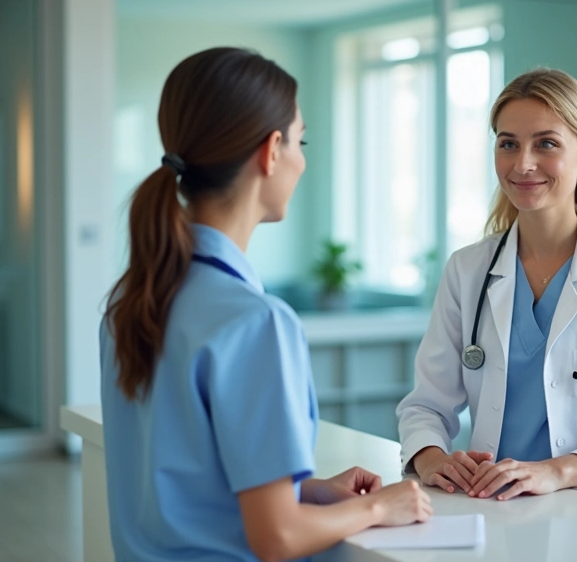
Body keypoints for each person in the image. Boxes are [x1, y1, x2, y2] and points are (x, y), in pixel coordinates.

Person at [100, 47, 431, 562]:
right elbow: (276, 539)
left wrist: (307, 490)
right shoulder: (254, 322)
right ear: (271, 151)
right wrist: (378, 508)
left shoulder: (133, 300)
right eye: (301, 141)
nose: (301, 160)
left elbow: (185, 490)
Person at [397, 68, 577, 505]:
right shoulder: (468, 269)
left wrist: (554, 472)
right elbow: (426, 404)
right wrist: (432, 457)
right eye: (508, 143)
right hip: (494, 508)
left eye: (546, 144)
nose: (522, 163)